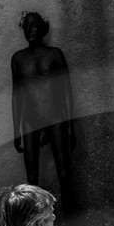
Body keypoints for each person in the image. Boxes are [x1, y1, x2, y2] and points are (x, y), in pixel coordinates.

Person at [10, 11, 75, 201]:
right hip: (30, 120)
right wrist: (16, 130)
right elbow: (17, 95)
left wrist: (71, 127)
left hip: (56, 118)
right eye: (26, 26)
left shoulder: (55, 54)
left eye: (34, 26)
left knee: (64, 173)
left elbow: (66, 91)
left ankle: (72, 224)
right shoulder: (18, 59)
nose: (30, 30)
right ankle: (35, 223)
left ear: (43, 29)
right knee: (32, 179)